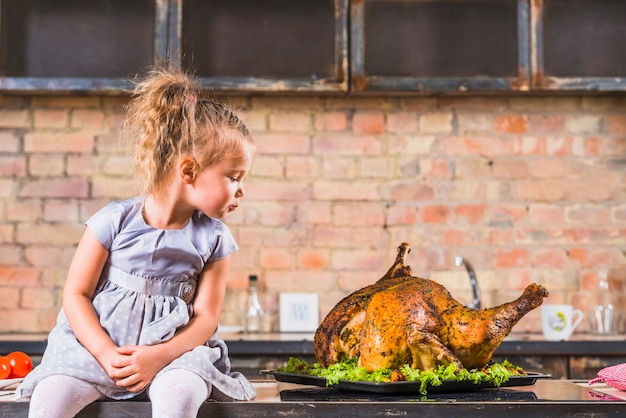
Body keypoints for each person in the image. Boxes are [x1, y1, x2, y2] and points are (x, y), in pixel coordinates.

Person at [15, 68, 257, 417]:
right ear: (188, 171)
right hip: (97, 351)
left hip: (174, 356)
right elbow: (75, 295)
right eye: (234, 178)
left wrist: (158, 356)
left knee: (181, 393)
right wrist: (105, 352)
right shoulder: (112, 221)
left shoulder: (215, 238)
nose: (241, 191)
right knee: (51, 397)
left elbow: (206, 318)